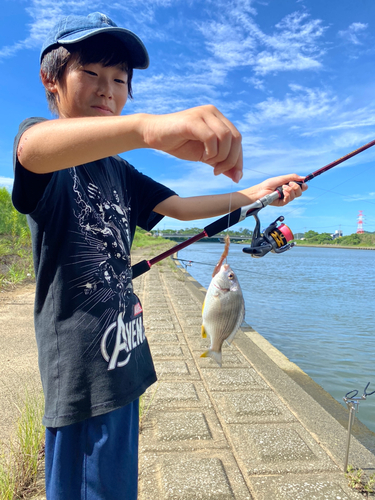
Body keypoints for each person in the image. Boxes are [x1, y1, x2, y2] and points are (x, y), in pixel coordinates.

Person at [12, 12, 307, 500]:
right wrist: (148, 128)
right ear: (52, 81)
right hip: (83, 380)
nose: (108, 89)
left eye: (120, 80)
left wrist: (256, 194)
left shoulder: (120, 171)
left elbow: (185, 209)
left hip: (126, 358)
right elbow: (32, 150)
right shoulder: (45, 150)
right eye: (91, 74)